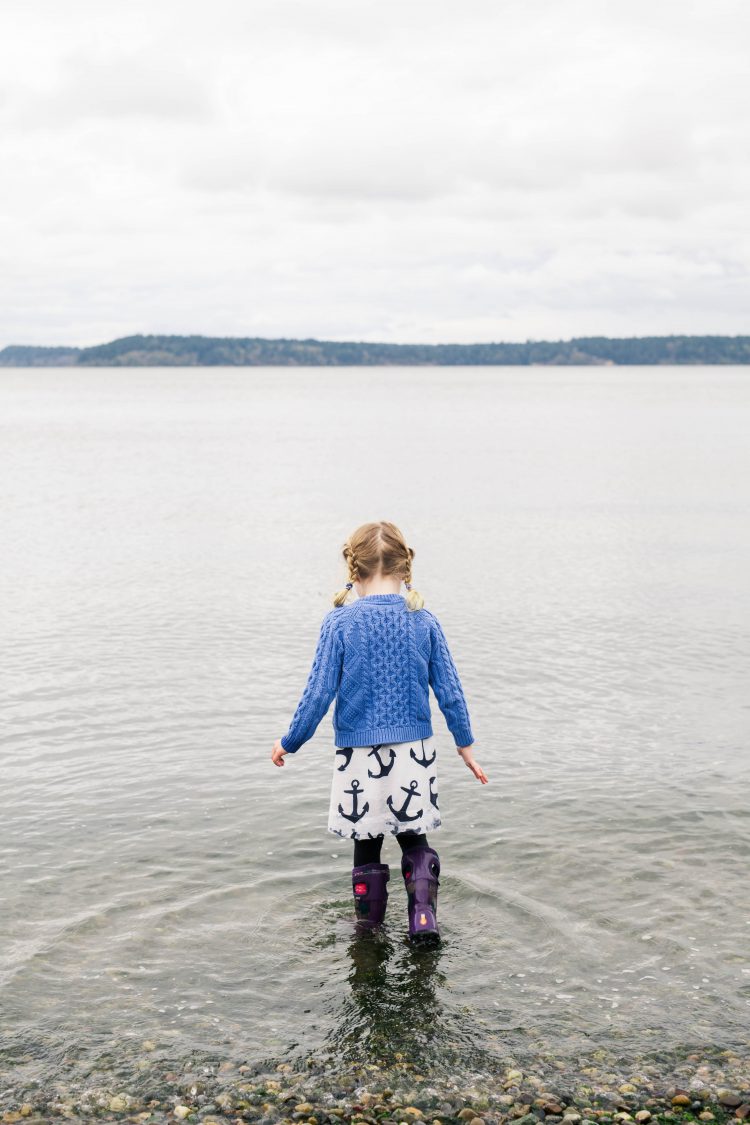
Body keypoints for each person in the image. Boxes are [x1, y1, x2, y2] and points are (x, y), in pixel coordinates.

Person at [271, 520, 488, 945]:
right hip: (415, 751)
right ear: (404, 568)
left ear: (354, 570)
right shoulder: (423, 621)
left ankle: (368, 934)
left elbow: (318, 695)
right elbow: (450, 691)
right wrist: (466, 746)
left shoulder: (340, 624)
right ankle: (422, 918)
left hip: (358, 754)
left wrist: (289, 741)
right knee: (413, 837)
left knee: (366, 844)